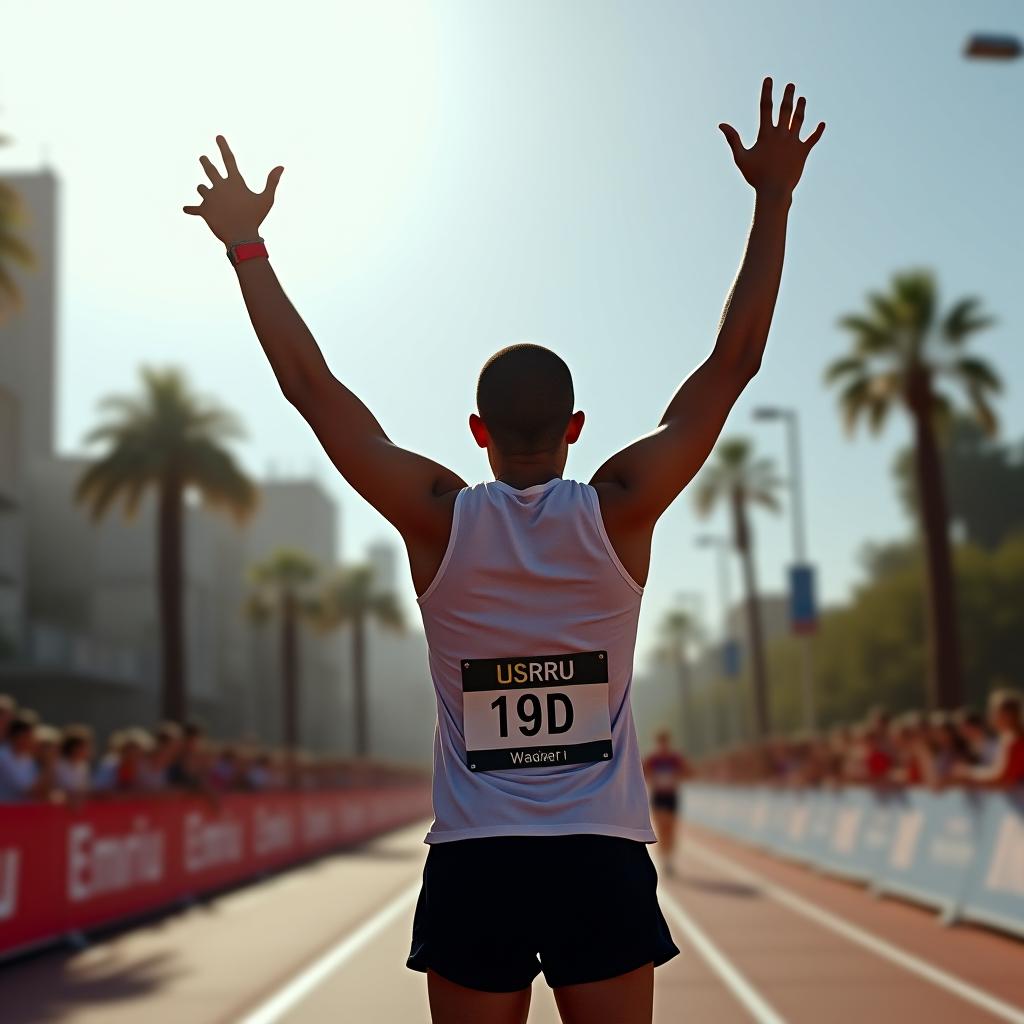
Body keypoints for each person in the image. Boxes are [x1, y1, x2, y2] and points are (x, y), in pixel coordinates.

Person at [184, 76, 824, 1024]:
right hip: (597, 854)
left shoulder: (438, 516)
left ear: (476, 432)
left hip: (476, 858)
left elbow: (310, 388)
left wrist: (247, 249)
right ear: (576, 427)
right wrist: (773, 198)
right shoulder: (621, 510)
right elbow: (734, 363)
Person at [643, 730, 691, 876]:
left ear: (667, 742)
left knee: (670, 829)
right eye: (661, 742)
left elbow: (687, 771)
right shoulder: (653, 759)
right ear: (658, 743)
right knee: (662, 828)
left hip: (671, 796)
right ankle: (664, 859)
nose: (663, 745)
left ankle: (669, 859)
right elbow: (642, 771)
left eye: (665, 742)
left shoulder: (674, 758)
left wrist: (677, 778)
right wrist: (652, 780)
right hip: (658, 796)